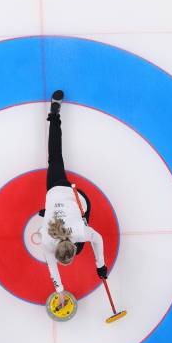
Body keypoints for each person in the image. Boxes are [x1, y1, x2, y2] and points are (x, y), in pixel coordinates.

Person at [39, 90, 108, 308]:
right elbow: (98, 240)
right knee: (54, 156)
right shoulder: (50, 239)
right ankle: (54, 114)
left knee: (54, 155)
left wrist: (100, 266)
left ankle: (54, 114)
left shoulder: (79, 232)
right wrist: (101, 265)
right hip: (61, 193)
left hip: (75, 199)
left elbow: (98, 240)